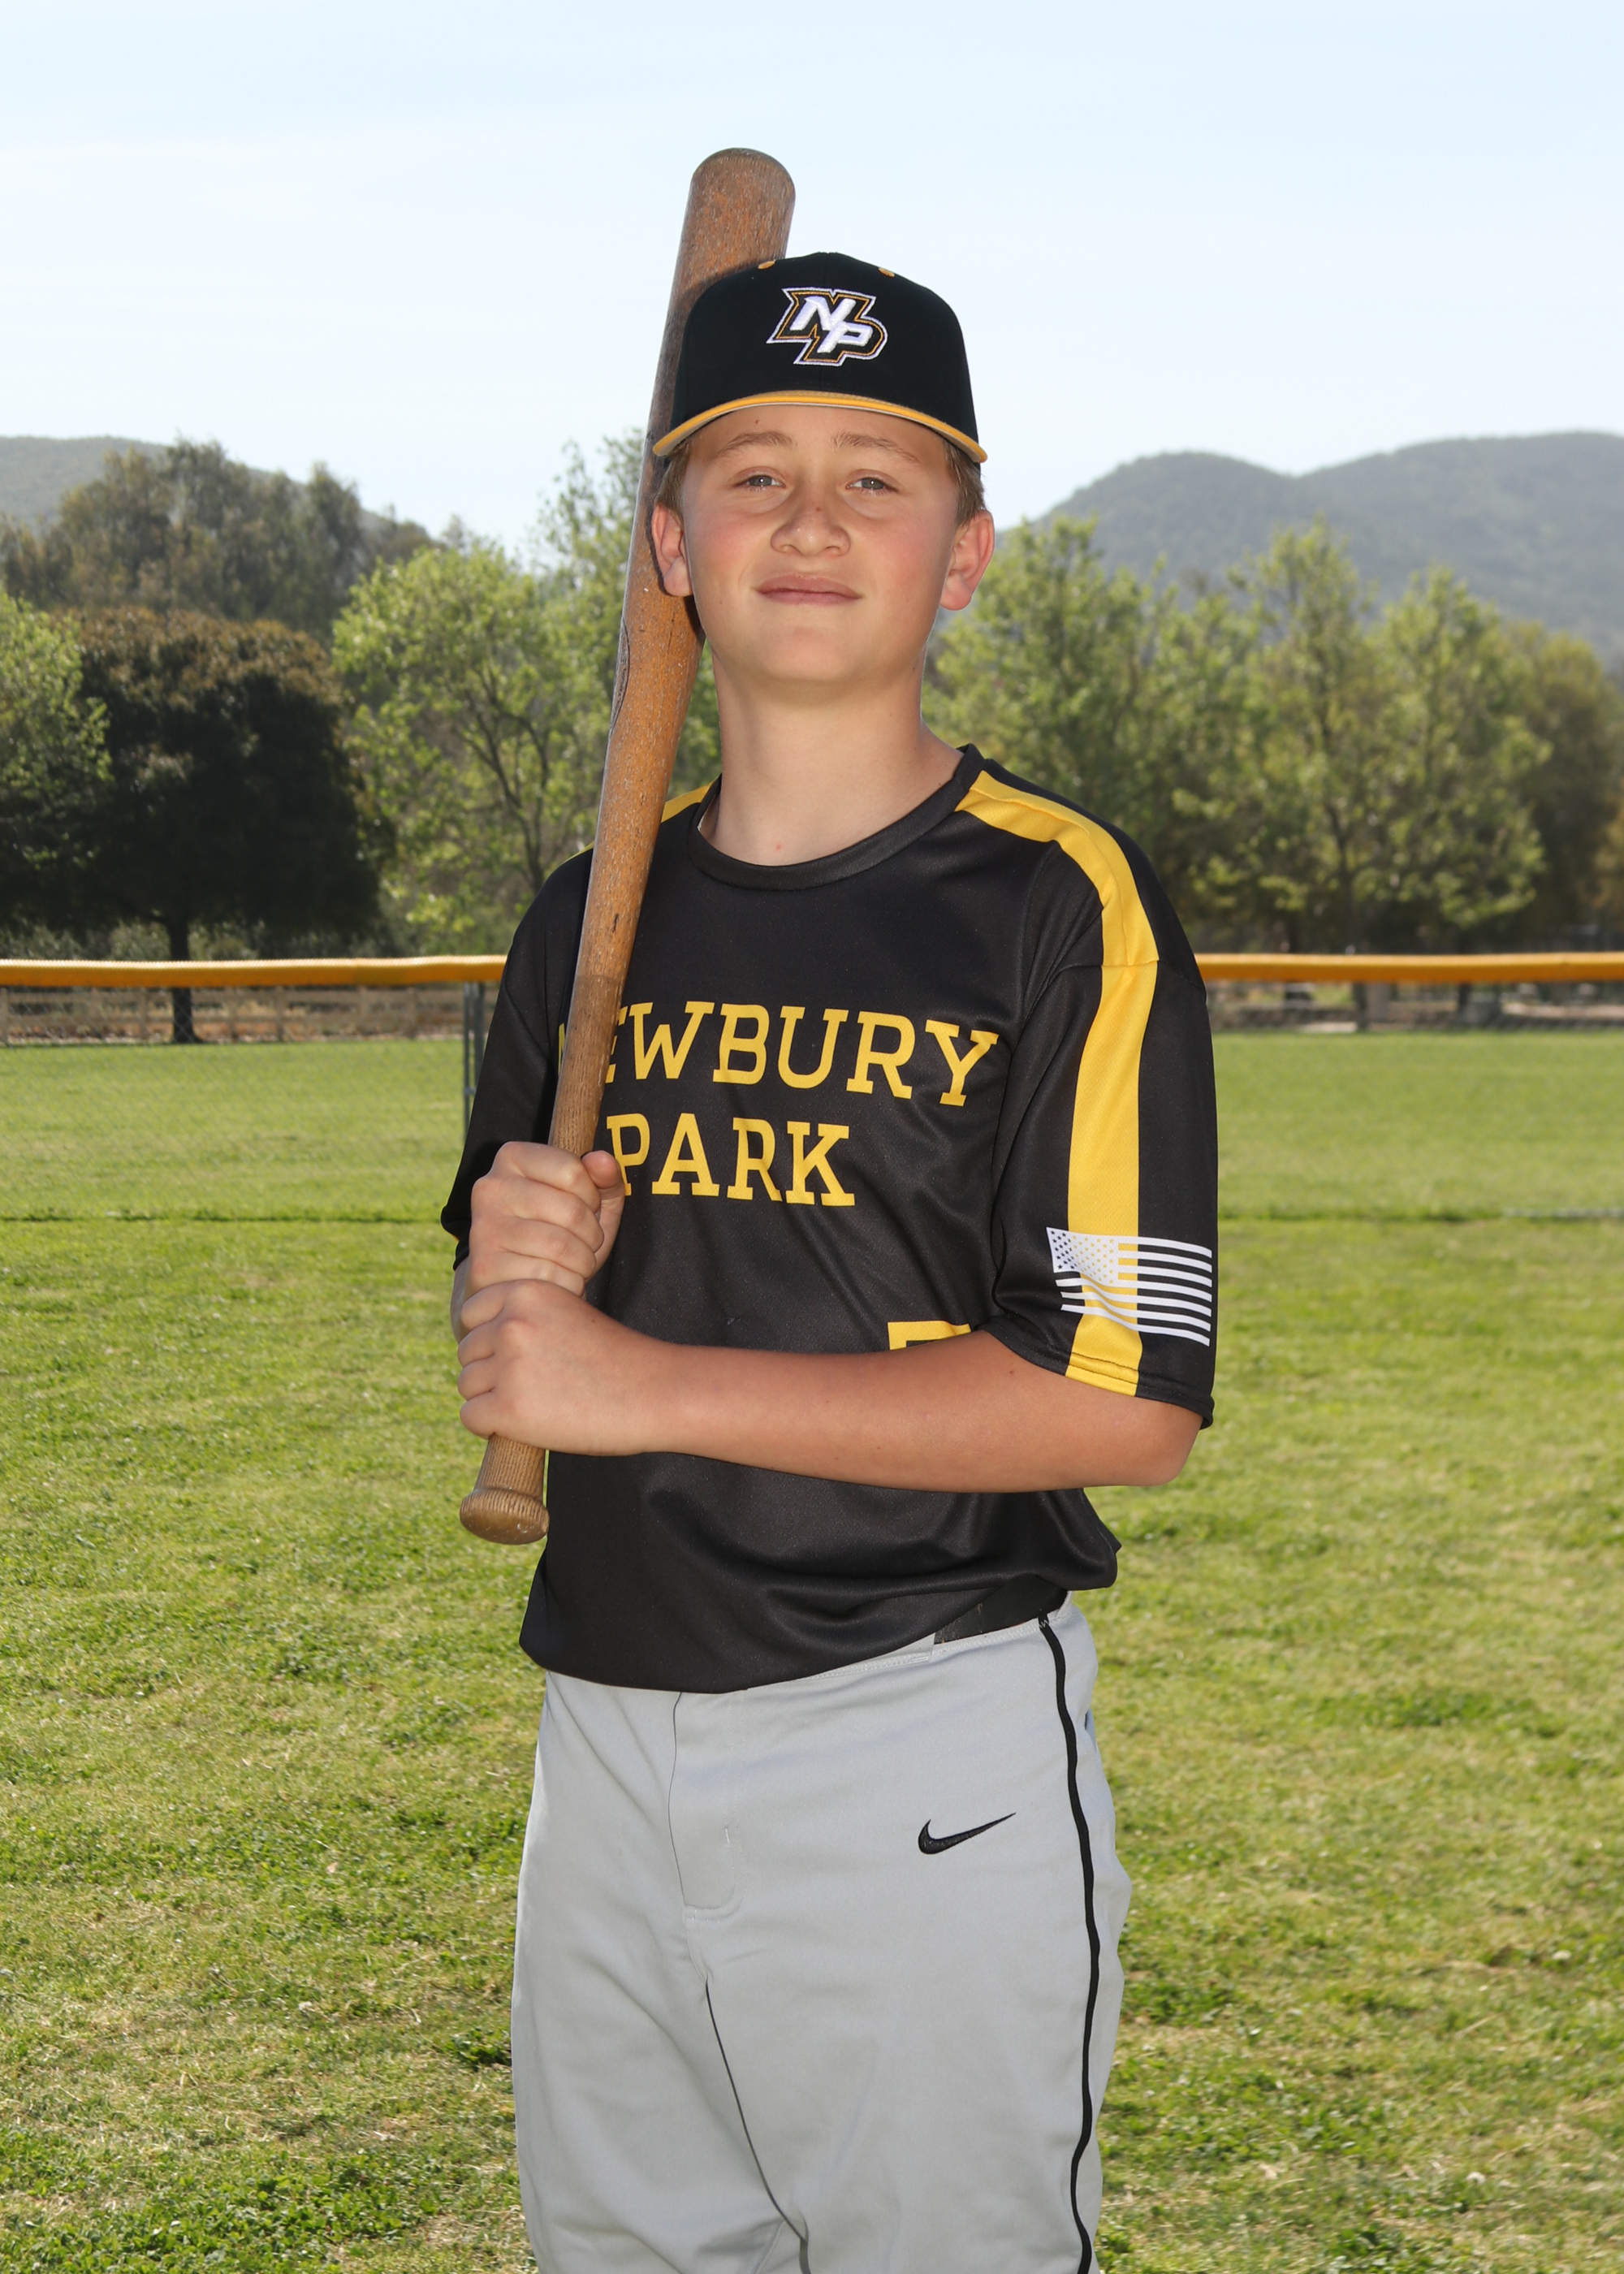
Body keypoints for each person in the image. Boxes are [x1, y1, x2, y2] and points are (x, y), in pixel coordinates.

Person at [443, 252, 1218, 2274]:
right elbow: (517, 1350)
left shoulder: (1055, 901)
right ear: (668, 548)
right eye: (752, 472)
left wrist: (627, 1383)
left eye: (875, 478)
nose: (807, 520)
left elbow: (1122, 1398)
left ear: (963, 553)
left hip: (911, 1740)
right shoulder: (588, 920)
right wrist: (513, 1288)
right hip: (601, 1731)